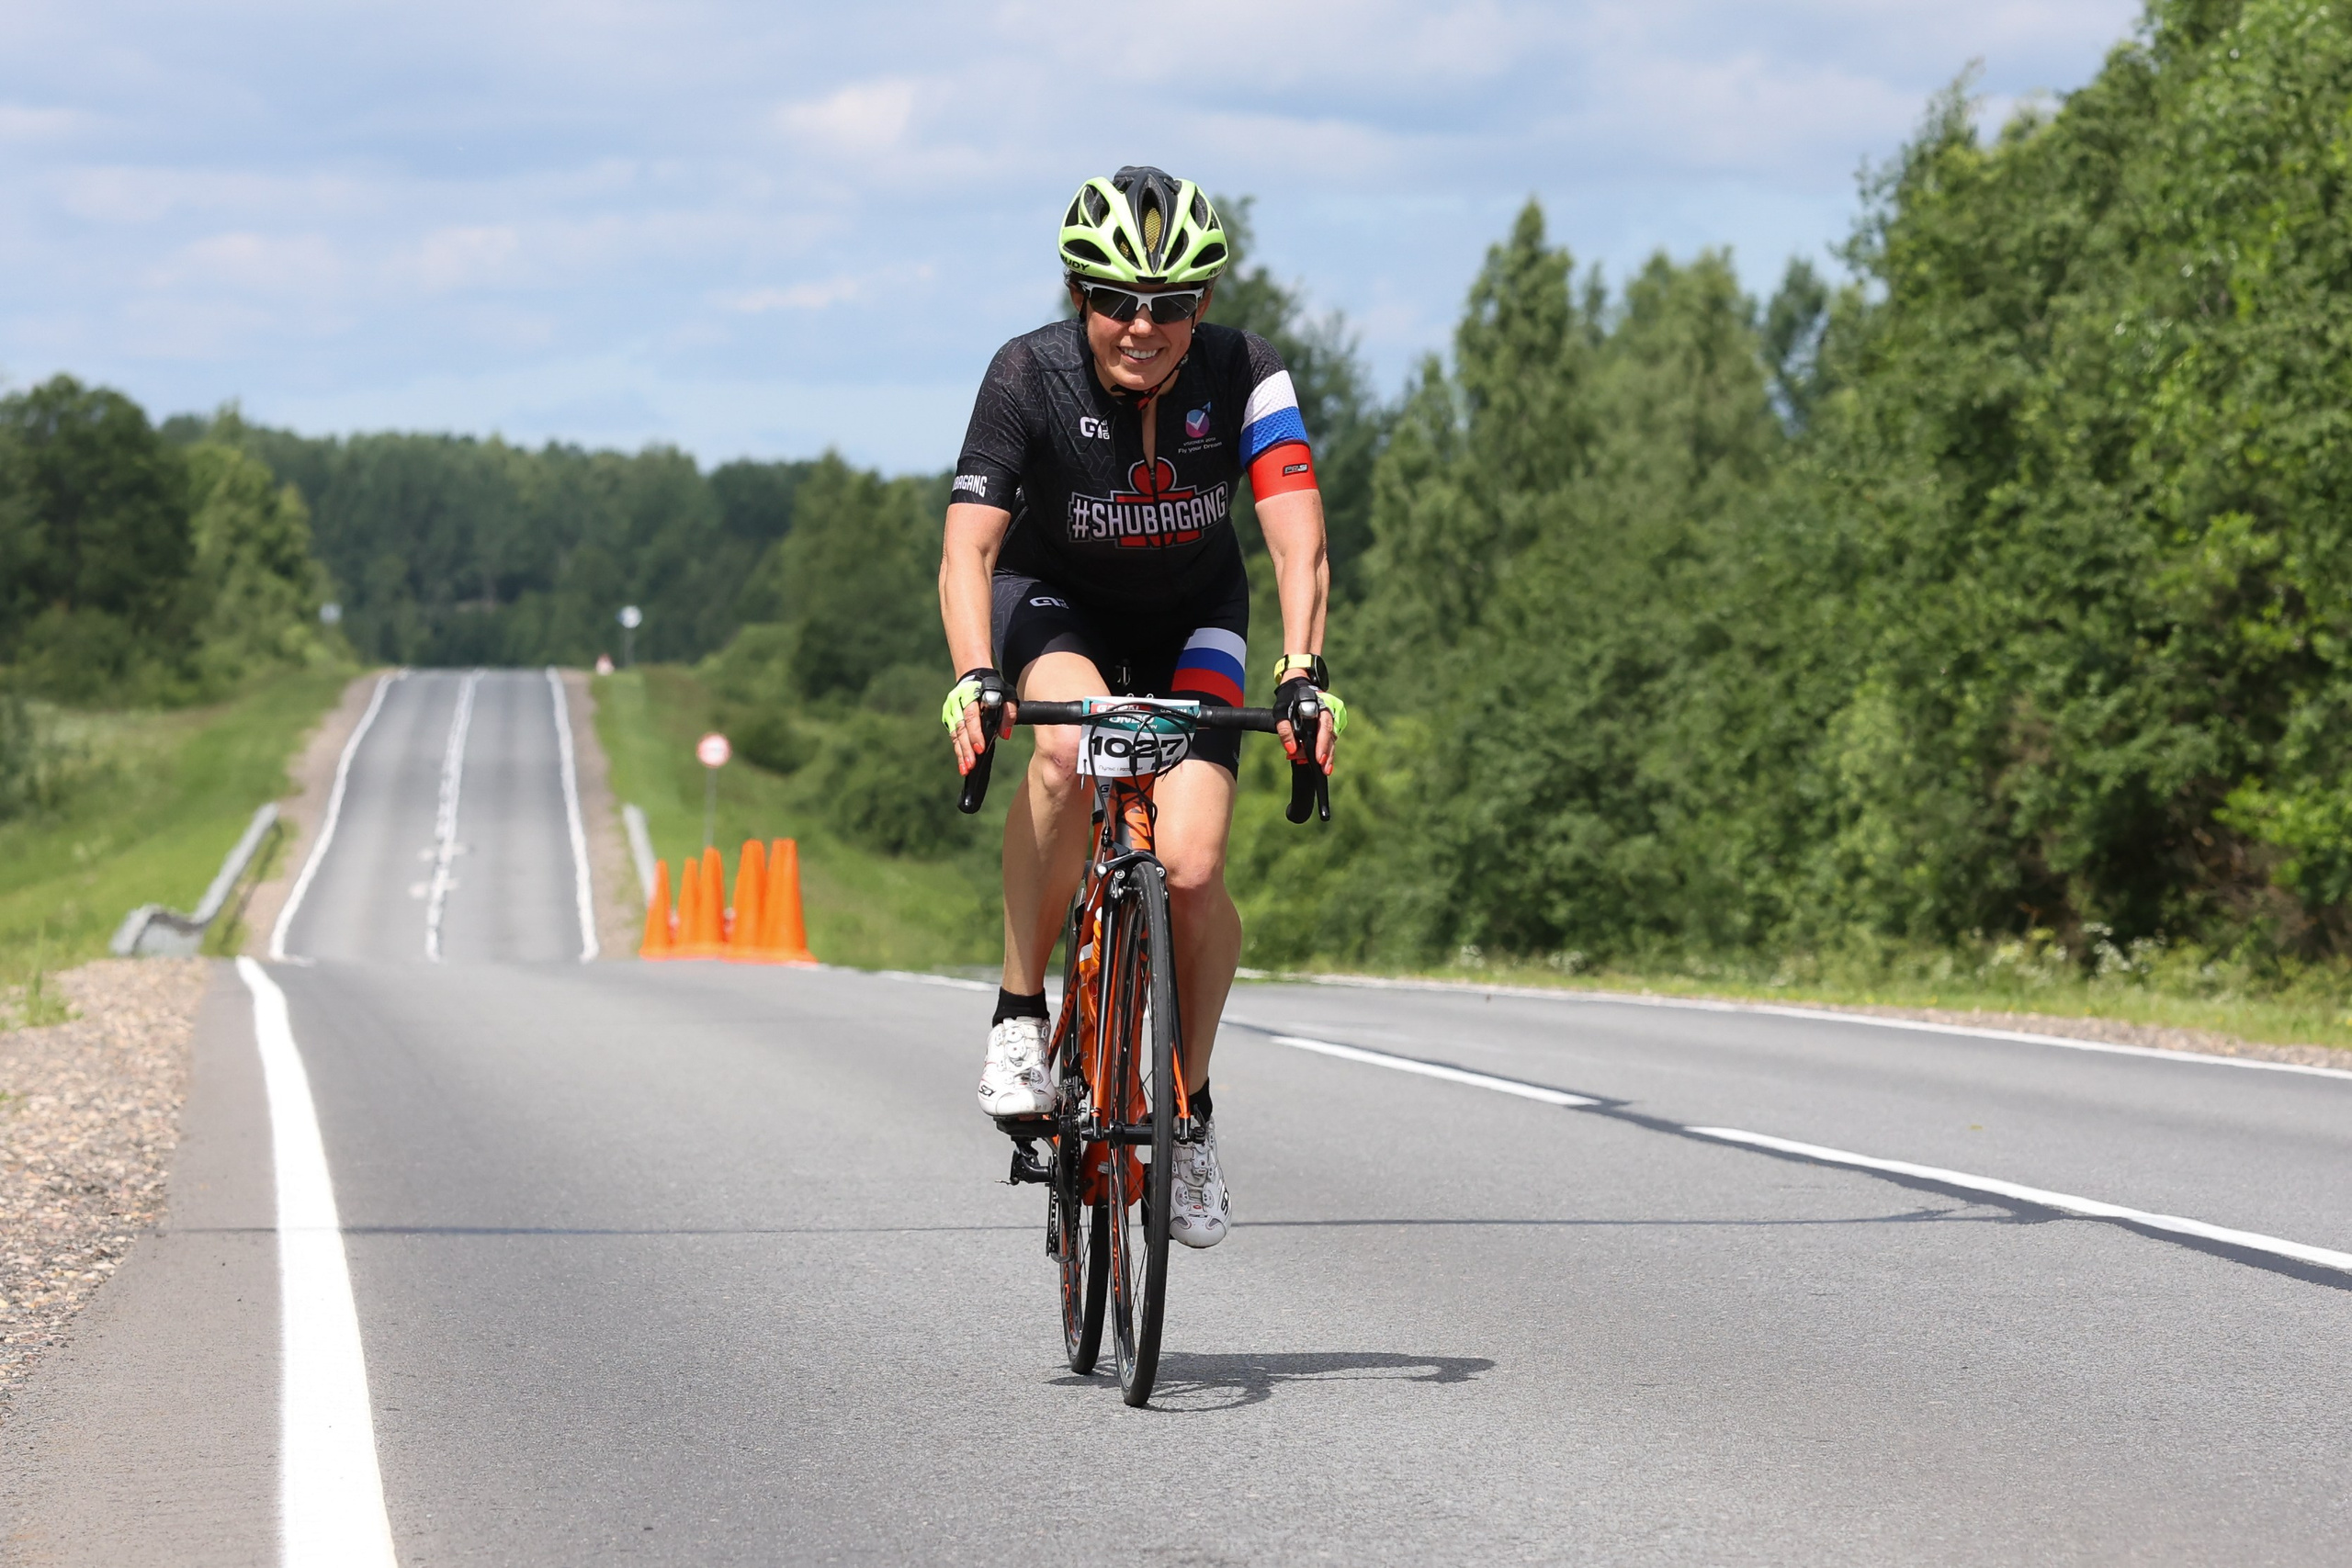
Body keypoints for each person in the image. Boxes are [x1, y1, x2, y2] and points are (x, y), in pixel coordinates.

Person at [938, 166, 1340, 1250]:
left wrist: (1302, 671)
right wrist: (975, 675)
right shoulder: (1026, 374)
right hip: (1055, 607)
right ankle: (1020, 1012)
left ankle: (1188, 1113)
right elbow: (968, 549)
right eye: (1116, 299)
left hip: (1193, 615)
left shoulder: (1247, 372)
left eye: (1169, 303)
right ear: (1080, 295)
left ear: (1201, 304)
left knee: (1195, 870)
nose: (1142, 326)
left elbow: (1297, 538)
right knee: (1065, 755)